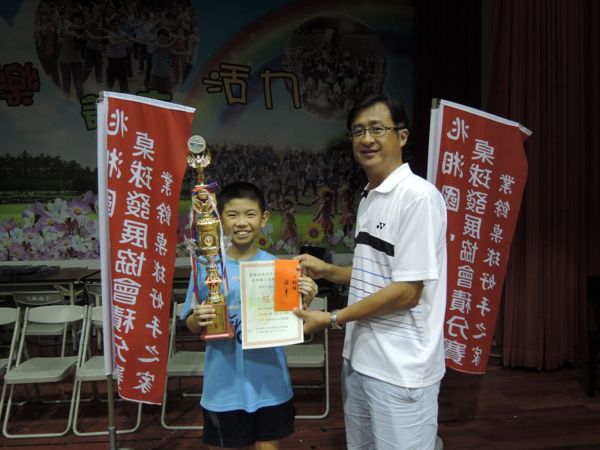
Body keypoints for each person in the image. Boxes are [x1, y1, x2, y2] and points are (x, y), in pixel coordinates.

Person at [293, 94, 447, 450]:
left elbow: (407, 291)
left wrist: (332, 319)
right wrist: (329, 271)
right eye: (358, 131)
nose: (366, 139)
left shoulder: (418, 198)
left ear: (402, 136)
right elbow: (377, 273)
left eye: (377, 129)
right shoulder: (370, 196)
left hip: (401, 369)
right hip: (360, 358)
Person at [181, 181, 319, 450]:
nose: (241, 223)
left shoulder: (279, 268)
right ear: (220, 219)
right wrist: (198, 318)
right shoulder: (206, 266)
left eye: (250, 214)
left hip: (270, 385)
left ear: (264, 218)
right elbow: (191, 325)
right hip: (223, 388)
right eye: (232, 215)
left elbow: (296, 327)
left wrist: (306, 299)